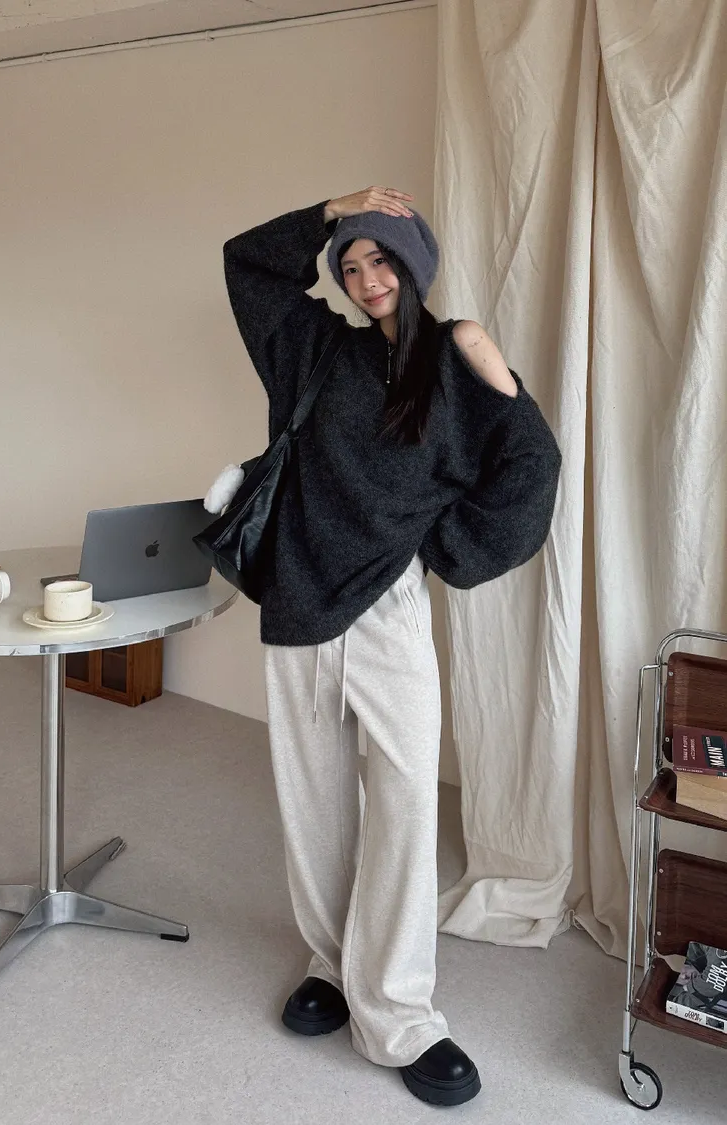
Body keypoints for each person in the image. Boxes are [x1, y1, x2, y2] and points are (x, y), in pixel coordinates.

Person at [216, 186, 562, 1107]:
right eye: (351, 263)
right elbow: (246, 262)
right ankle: (332, 965)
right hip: (298, 596)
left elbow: (531, 463)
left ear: (415, 263)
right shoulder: (314, 348)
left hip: (388, 610)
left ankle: (401, 1013)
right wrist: (332, 210)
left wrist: (445, 543)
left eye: (381, 258)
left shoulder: (454, 356)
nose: (367, 277)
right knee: (316, 803)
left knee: (405, 804)